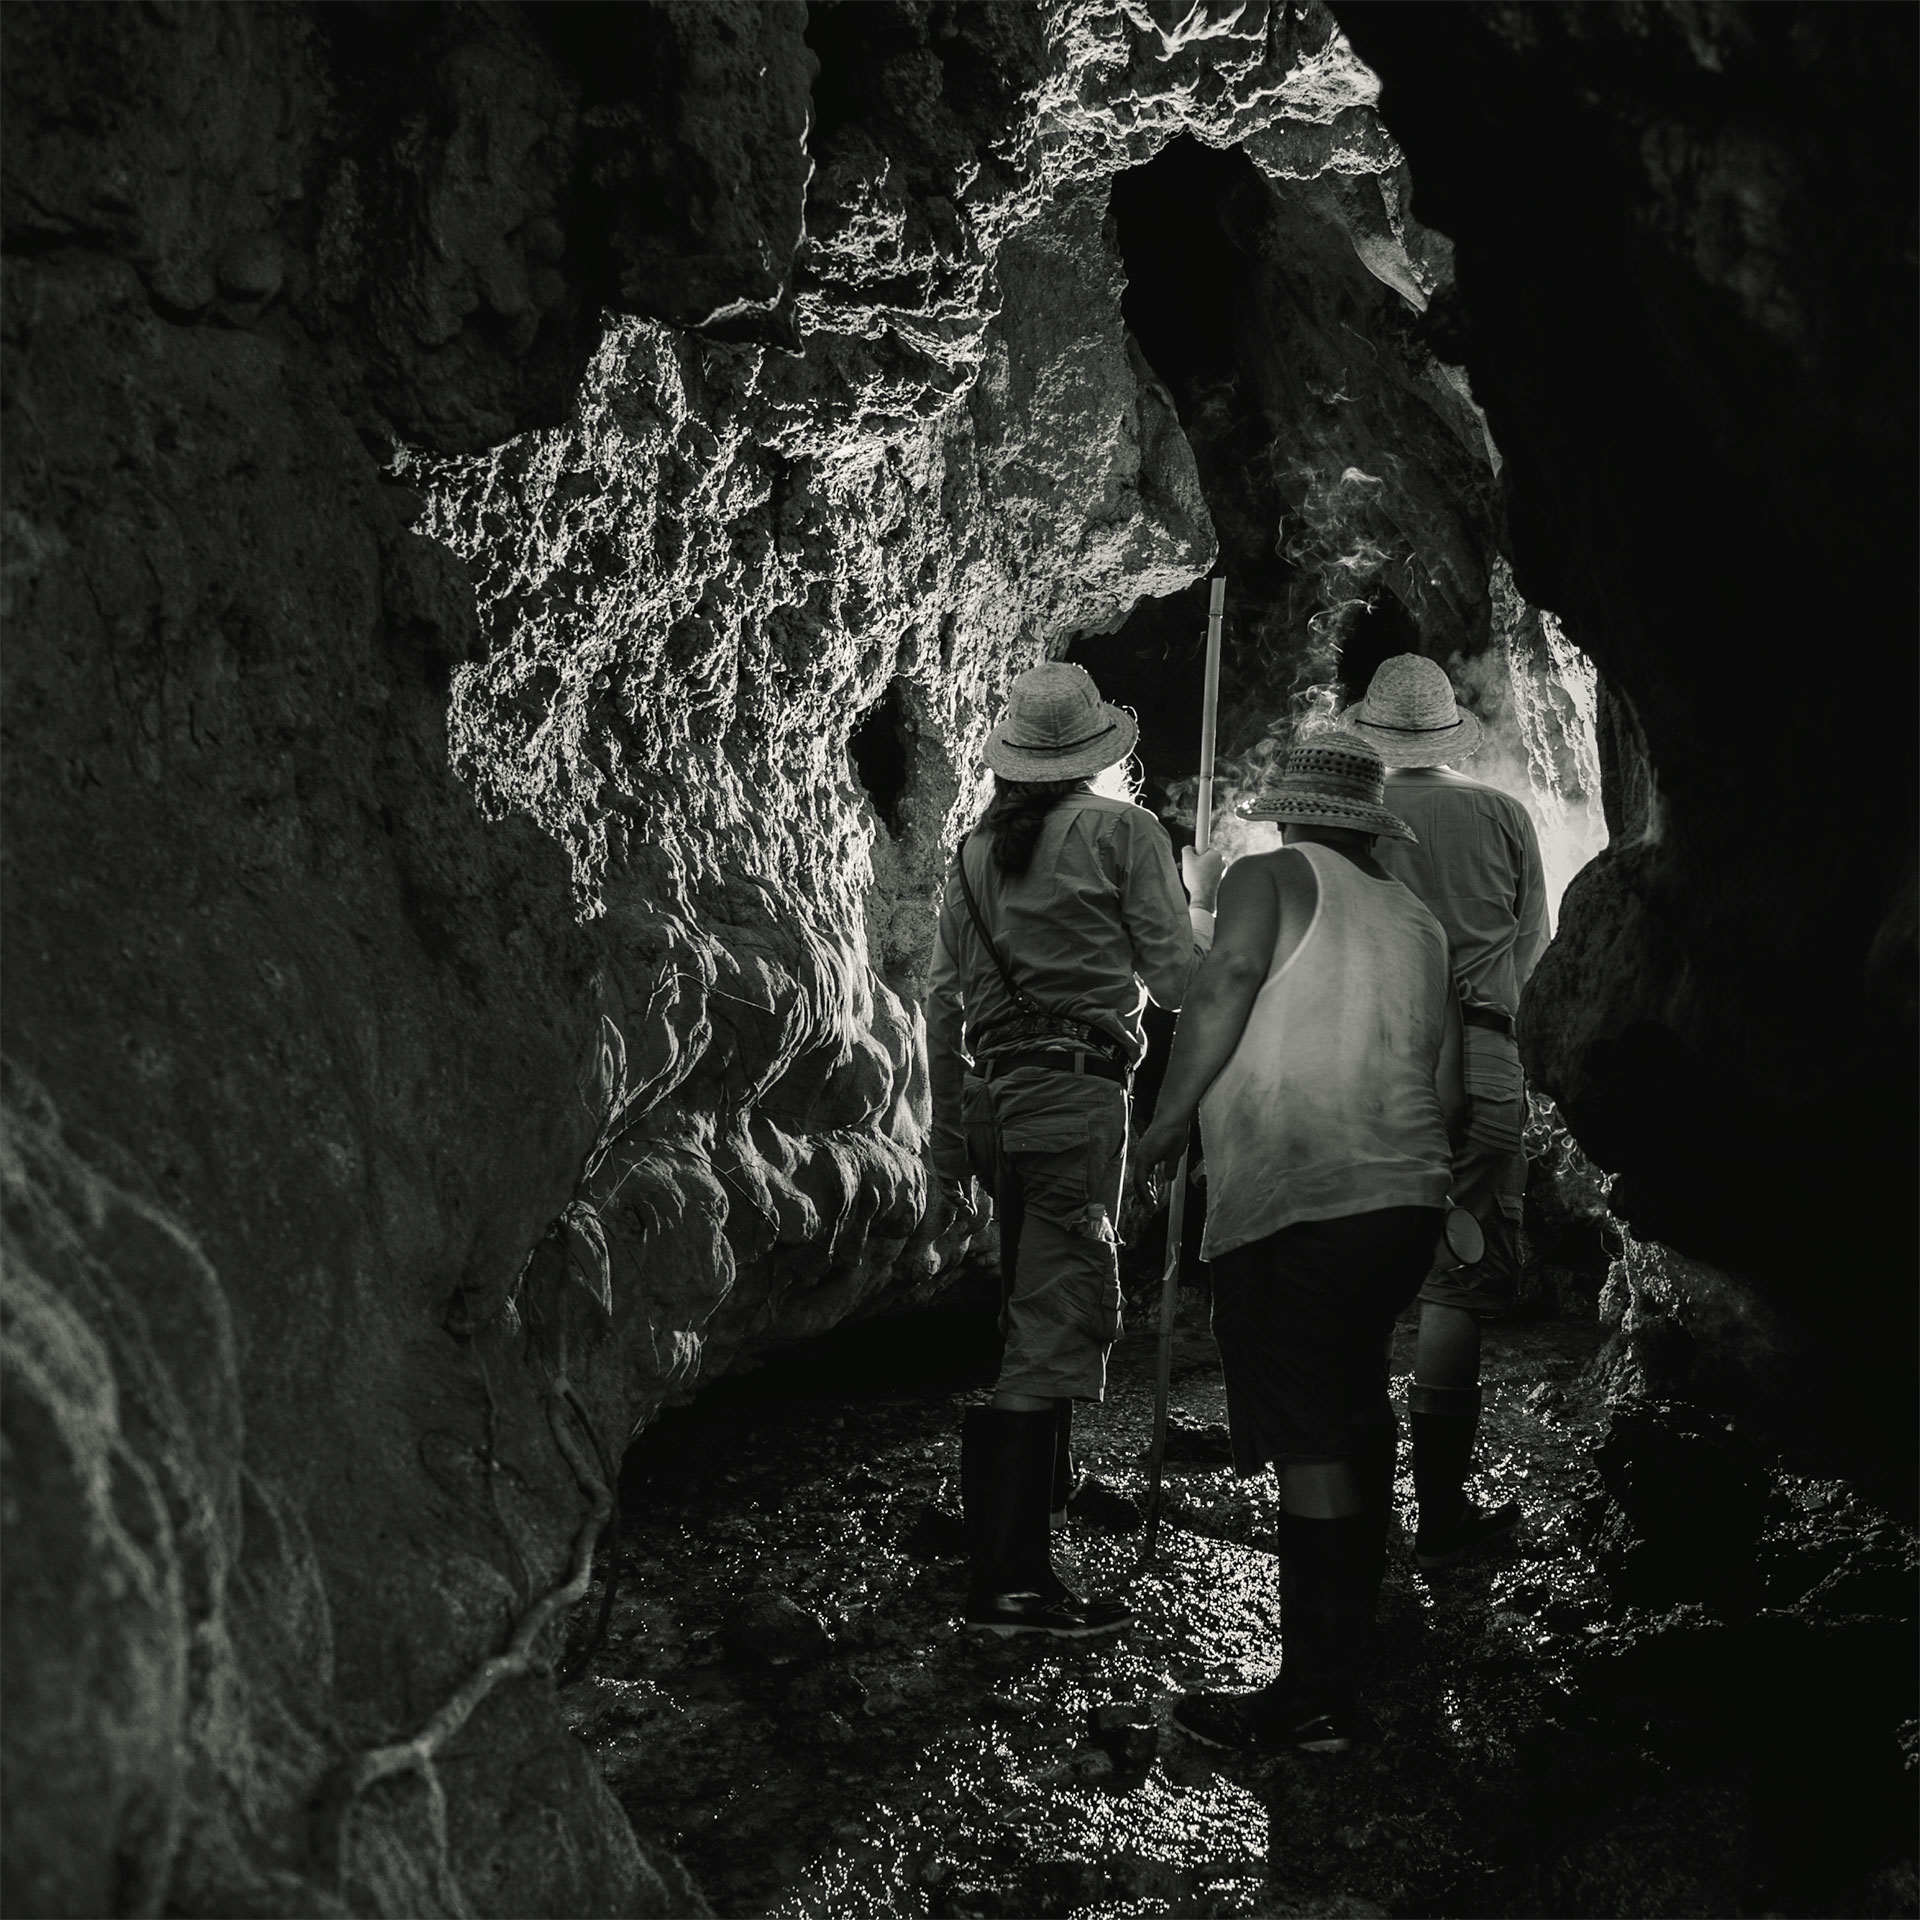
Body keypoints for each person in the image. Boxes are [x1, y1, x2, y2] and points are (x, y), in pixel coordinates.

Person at [1134, 733, 1466, 1750]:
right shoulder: (1417, 918)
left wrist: (1168, 1119)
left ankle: (1314, 1698)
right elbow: (1447, 1087)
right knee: (1353, 1410)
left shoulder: (1266, 873)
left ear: (1286, 814)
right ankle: (1350, 1656)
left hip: (1301, 1194)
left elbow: (1227, 980)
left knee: (1313, 1443)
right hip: (1404, 1200)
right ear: (1366, 822)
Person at [927, 660, 1221, 1638]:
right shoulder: (1124, 833)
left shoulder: (969, 855)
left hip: (991, 1100)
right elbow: (1177, 982)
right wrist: (1212, 926)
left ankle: (1044, 1492)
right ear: (1095, 756)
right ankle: (1009, 1589)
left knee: (1030, 1292)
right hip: (1073, 1095)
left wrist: (942, 1144)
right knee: (1057, 1315)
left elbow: (939, 1004)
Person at [1344, 654, 1549, 1571]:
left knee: (1349, 1260)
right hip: (1482, 1044)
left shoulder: (1354, 822)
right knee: (1455, 1274)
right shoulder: (1503, 814)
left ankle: (1351, 1506)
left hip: (1366, 1055)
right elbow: (1538, 951)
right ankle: (1442, 1515)